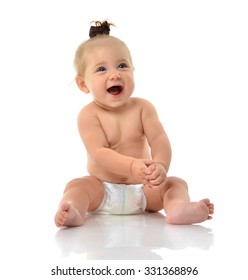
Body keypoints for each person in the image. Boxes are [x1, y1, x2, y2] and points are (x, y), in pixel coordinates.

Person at [54, 21, 214, 227]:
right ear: (83, 84)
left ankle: (177, 208)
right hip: (102, 190)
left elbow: (158, 139)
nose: (115, 74)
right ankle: (73, 210)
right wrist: (131, 166)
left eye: (122, 66)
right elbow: (99, 153)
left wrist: (160, 166)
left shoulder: (143, 108)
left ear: (132, 70)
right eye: (101, 69)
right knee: (77, 186)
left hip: (144, 189)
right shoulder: (88, 115)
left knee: (176, 183)